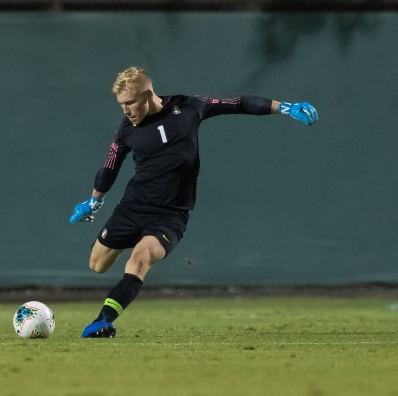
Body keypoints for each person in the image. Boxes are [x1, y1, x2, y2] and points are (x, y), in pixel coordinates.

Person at [69, 66, 318, 338]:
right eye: (121, 104)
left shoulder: (189, 107)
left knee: (139, 260)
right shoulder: (126, 130)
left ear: (147, 95)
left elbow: (239, 103)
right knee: (97, 265)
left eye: (129, 102)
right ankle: (129, 242)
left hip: (170, 215)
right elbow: (110, 167)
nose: (125, 110)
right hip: (133, 207)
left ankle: (102, 321)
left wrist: (286, 108)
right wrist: (94, 201)